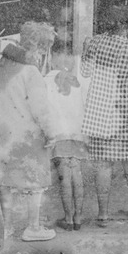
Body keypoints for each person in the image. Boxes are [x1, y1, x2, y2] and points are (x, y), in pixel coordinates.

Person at [0, 21, 64, 243]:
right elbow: (41, 109)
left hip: (3, 131)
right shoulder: (31, 72)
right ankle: (33, 227)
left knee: (6, 181)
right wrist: (51, 133)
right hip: (27, 134)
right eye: (47, 47)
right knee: (35, 181)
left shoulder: (4, 62)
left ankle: (6, 227)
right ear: (39, 47)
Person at [81, 5, 128, 226]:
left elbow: (85, 73)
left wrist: (85, 50)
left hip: (100, 113)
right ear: (124, 23)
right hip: (124, 113)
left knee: (103, 164)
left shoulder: (94, 42)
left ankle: (103, 214)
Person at [44, 40, 90, 231]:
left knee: (64, 176)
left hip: (58, 133)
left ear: (52, 58)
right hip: (77, 134)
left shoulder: (46, 80)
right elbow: (86, 106)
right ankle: (78, 217)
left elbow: (43, 109)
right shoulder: (78, 81)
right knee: (76, 174)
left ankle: (68, 218)